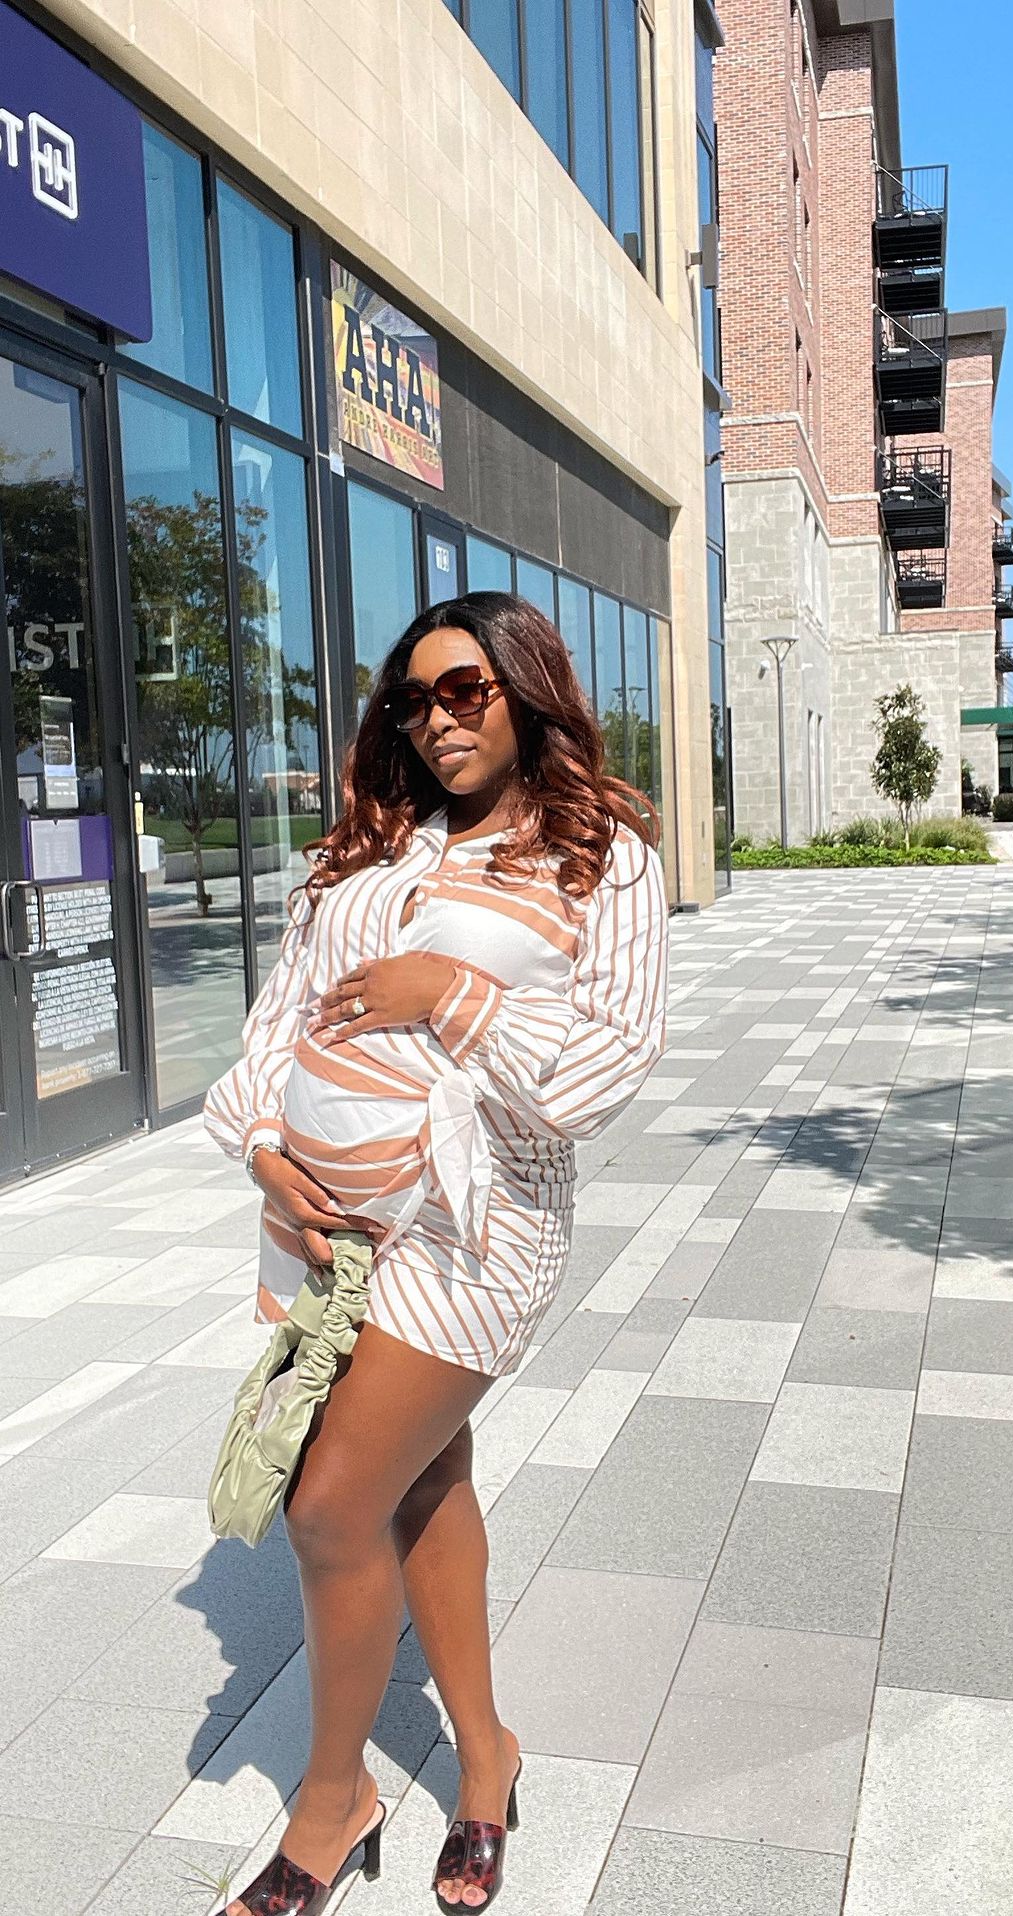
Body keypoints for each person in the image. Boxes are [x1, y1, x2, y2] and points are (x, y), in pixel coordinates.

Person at [204, 591, 669, 1914]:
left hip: (474, 1234)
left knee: (328, 1506)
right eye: (413, 700)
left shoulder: (601, 858)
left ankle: (330, 1802)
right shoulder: (371, 846)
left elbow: (601, 1070)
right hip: (326, 1235)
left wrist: (448, 992)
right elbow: (275, 1028)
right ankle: (485, 1762)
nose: (437, 720)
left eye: (465, 689)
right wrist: (264, 1149)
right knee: (421, 1484)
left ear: (527, 688)